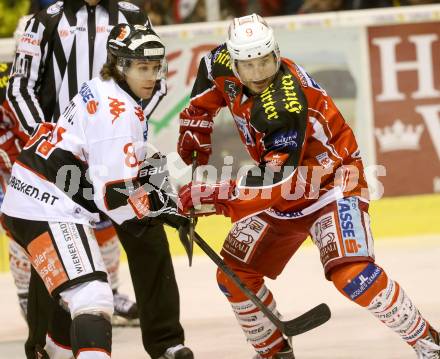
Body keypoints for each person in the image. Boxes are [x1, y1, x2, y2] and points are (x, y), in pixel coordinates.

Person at [177, 13, 440, 359]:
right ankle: (273, 352)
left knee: (352, 275)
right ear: (235, 58)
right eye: (249, 64)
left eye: (265, 62)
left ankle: (429, 343)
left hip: (331, 183)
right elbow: (208, 73)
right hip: (285, 183)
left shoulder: (284, 104)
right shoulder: (222, 60)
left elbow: (274, 183)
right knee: (234, 275)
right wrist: (196, 121)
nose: (258, 73)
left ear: (276, 53)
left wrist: (212, 197)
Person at [6, 2, 191, 359]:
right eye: (142, 68)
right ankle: (45, 343)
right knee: (86, 288)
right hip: (59, 181)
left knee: (75, 276)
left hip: (57, 172)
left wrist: (133, 163)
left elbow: (120, 144)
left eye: (154, 67)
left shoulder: (106, 80)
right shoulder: (47, 20)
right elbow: (114, 198)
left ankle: (162, 341)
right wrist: (151, 204)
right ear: (120, 66)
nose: (151, 75)